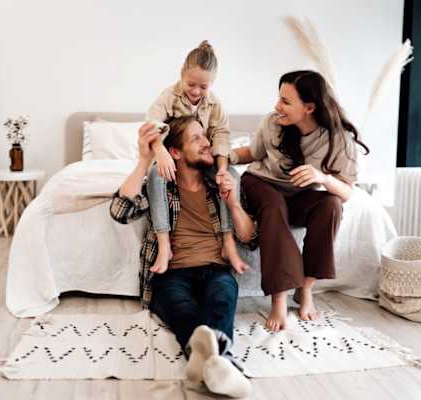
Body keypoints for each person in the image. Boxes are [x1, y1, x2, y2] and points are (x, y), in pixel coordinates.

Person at [110, 116, 257, 398]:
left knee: (222, 298)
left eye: (205, 136)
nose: (207, 144)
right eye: (196, 139)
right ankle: (222, 365)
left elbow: (250, 239)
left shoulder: (220, 183)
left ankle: (210, 362)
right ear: (175, 152)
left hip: (216, 269)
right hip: (171, 273)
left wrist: (235, 204)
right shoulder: (160, 185)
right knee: (182, 309)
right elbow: (120, 211)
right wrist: (144, 160)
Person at [230, 70, 370, 331]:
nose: (277, 106)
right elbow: (253, 152)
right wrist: (222, 156)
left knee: (331, 205)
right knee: (274, 207)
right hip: (260, 183)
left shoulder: (338, 139)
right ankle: (279, 298)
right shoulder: (272, 123)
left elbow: (347, 192)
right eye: (278, 98)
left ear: (309, 107)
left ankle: (305, 290)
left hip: (299, 194)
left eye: (285, 101)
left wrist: (323, 178)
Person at [145, 40, 248, 277]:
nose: (196, 91)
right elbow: (153, 124)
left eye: (203, 86)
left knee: (231, 177)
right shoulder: (168, 96)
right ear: (181, 75)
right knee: (155, 175)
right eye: (191, 84)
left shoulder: (215, 103)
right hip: (171, 157)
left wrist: (221, 168)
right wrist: (160, 152)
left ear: (212, 84)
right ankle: (164, 244)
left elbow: (221, 134)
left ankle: (228, 242)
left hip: (203, 161)